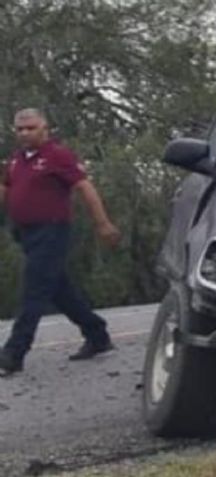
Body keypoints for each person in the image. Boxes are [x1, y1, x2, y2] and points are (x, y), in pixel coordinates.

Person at [0, 109, 121, 376]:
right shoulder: (17, 159)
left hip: (52, 230)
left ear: (45, 128)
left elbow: (84, 187)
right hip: (25, 232)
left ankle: (12, 354)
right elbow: (6, 187)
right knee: (57, 289)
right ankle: (97, 335)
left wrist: (102, 223)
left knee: (34, 290)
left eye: (31, 128)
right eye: (20, 129)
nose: (24, 133)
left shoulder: (58, 155)